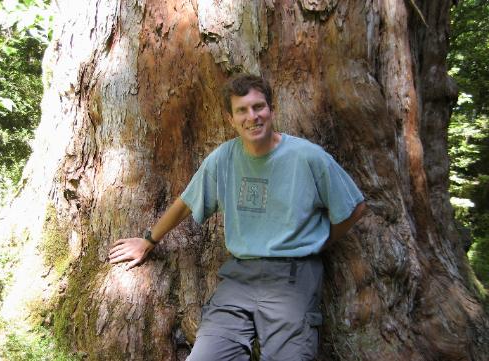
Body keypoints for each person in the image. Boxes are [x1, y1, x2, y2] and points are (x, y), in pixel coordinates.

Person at [109, 74, 366, 361]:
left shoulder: (308, 158)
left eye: (258, 107)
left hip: (292, 278)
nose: (252, 117)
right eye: (242, 110)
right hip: (240, 278)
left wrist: (320, 242)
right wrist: (148, 240)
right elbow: (185, 202)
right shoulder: (224, 158)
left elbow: (353, 207)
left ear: (271, 110)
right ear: (231, 119)